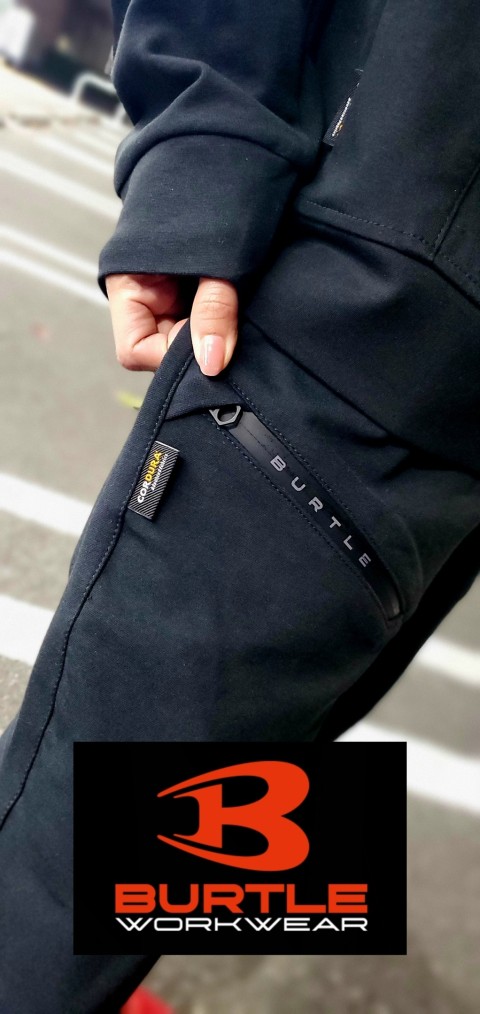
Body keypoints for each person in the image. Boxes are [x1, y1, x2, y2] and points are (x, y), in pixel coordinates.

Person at [0, 0, 479, 1010]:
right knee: (76, 859)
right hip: (345, 305)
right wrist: (202, 169)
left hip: (410, 340)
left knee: (201, 835)